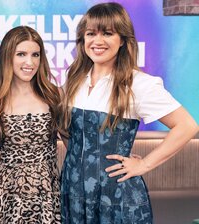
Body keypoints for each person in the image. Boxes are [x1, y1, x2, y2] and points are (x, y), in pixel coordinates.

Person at [59, 2, 198, 224]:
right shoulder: (73, 80)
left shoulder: (138, 84)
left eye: (107, 33)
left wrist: (144, 164)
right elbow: (72, 135)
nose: (97, 41)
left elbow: (187, 126)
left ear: (123, 40)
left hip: (116, 195)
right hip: (74, 191)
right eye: (91, 33)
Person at [0, 26, 62, 224]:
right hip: (6, 192)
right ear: (7, 56)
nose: (30, 62)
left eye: (35, 54)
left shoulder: (54, 95)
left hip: (48, 192)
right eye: (21, 54)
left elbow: (74, 146)